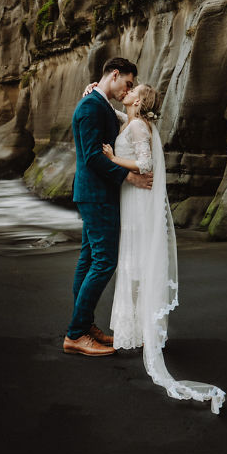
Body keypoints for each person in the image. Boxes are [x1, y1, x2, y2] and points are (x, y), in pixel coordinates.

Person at [96, 81, 226, 414]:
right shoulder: (135, 121)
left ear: (138, 101)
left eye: (131, 91)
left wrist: (112, 158)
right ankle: (137, 330)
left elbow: (145, 165)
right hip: (133, 199)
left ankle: (139, 333)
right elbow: (118, 115)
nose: (125, 92)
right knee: (134, 261)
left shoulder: (139, 125)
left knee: (134, 260)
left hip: (138, 200)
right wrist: (95, 95)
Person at [63, 57, 153, 357]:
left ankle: (84, 326)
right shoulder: (90, 107)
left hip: (96, 193)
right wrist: (129, 176)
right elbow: (91, 156)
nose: (128, 89)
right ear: (114, 74)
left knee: (90, 260)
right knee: (104, 262)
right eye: (127, 83)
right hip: (96, 194)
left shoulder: (97, 103)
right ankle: (76, 334)